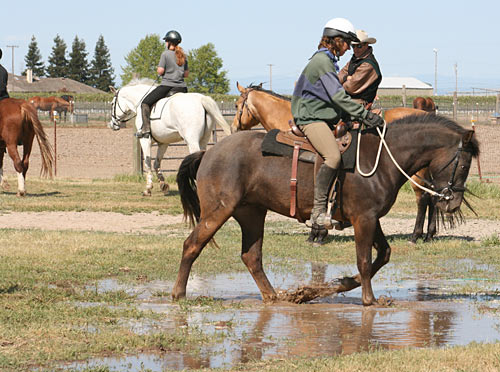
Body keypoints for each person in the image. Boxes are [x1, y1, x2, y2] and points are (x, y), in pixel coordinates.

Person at [291, 18, 384, 232]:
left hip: (321, 115)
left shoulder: (328, 60)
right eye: (347, 43)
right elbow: (339, 97)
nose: (348, 48)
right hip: (310, 117)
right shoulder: (323, 62)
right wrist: (365, 115)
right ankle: (317, 212)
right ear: (336, 40)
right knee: (333, 157)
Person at [136, 30, 189, 138]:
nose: (165, 43)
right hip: (182, 88)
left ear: (169, 42)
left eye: (166, 41)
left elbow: (160, 71)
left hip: (167, 86)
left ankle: (146, 129)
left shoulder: (165, 54)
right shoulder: (183, 55)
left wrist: (165, 71)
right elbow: (186, 74)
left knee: (145, 103)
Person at [338, 29, 382, 108]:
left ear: (366, 45)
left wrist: (344, 80)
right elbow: (339, 76)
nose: (355, 49)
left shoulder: (368, 64)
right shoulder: (355, 59)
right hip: (348, 100)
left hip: (360, 104)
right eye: (353, 46)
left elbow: (351, 87)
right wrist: (347, 78)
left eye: (359, 46)